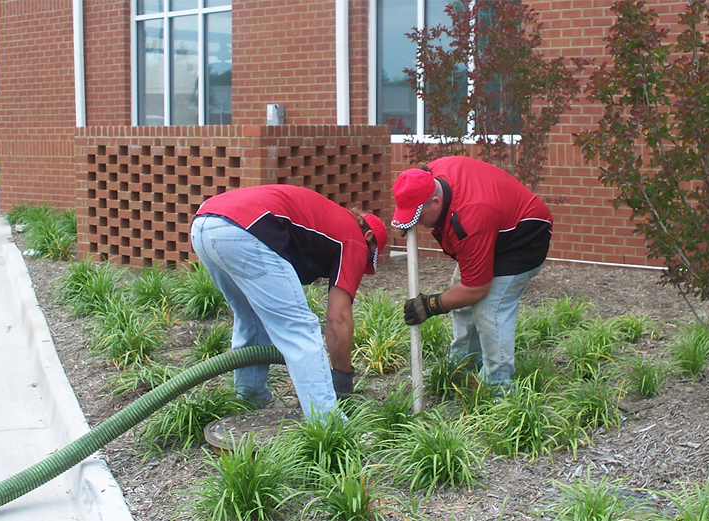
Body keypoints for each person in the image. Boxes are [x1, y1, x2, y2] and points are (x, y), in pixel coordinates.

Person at [190, 184, 387, 419]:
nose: (362, 263)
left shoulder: (329, 218)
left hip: (203, 223)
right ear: (368, 237)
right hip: (244, 229)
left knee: (250, 318)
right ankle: (328, 423)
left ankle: (250, 402)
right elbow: (338, 319)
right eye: (368, 258)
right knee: (299, 329)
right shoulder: (355, 239)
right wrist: (342, 381)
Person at [391, 156, 552, 391]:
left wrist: (431, 305)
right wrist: (407, 217)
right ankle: (461, 364)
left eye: (418, 216)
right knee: (459, 292)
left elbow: (475, 288)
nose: (417, 223)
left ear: (436, 202)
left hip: (524, 235)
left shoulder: (468, 218)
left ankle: (498, 389)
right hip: (493, 226)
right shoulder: (431, 173)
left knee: (490, 309)